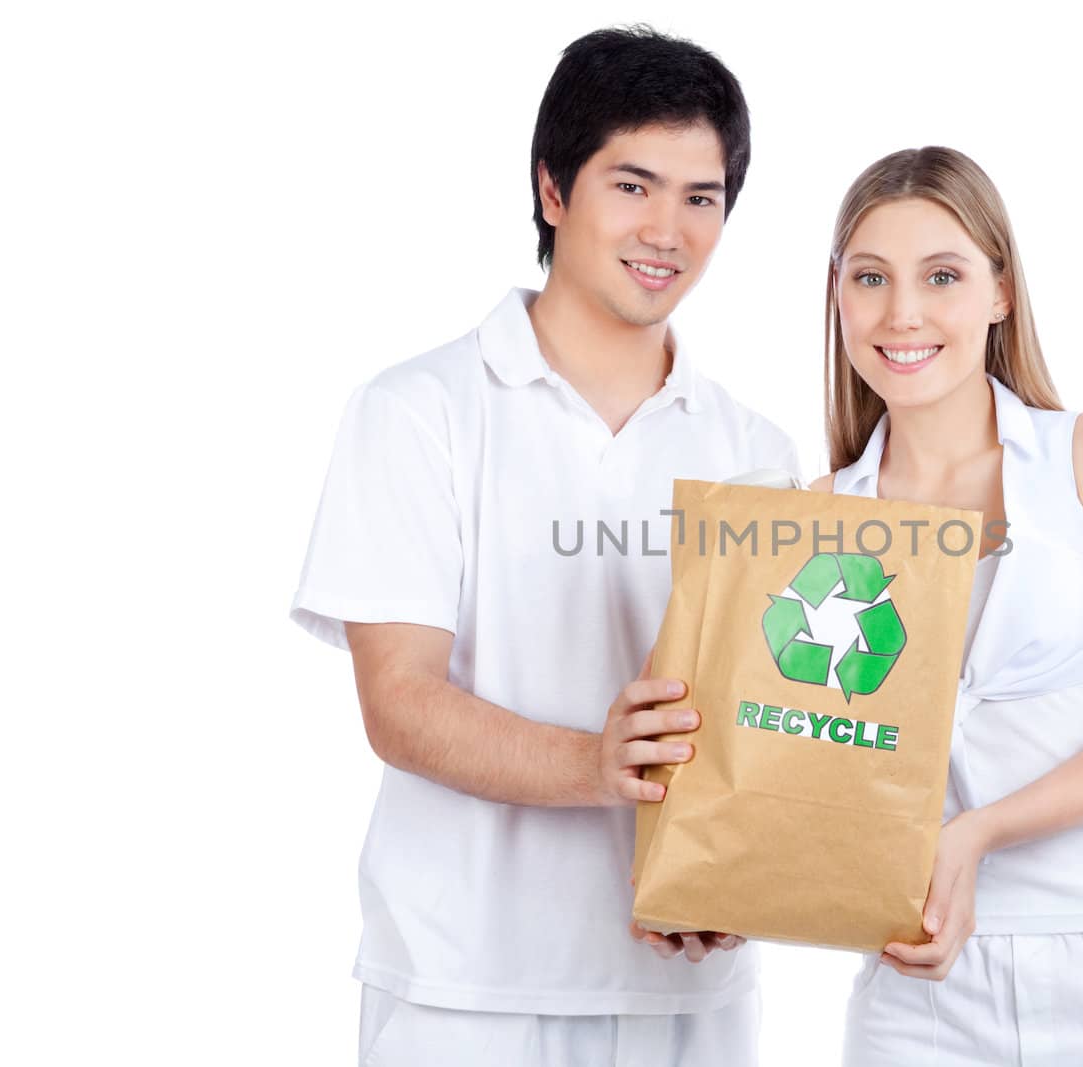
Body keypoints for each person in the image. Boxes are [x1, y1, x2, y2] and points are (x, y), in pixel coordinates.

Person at [289, 26, 799, 1066]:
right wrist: (596, 763)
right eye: (632, 184)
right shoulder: (417, 410)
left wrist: (740, 878)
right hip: (463, 986)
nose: (668, 228)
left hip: (685, 988)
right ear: (553, 189)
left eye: (702, 198)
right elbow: (400, 702)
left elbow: (767, 722)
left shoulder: (755, 449)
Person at [810, 147, 1083, 1065]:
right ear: (838, 295)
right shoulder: (815, 519)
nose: (904, 313)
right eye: (871, 277)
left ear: (1001, 291)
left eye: (943, 275)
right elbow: (818, 775)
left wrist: (977, 834)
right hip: (922, 989)